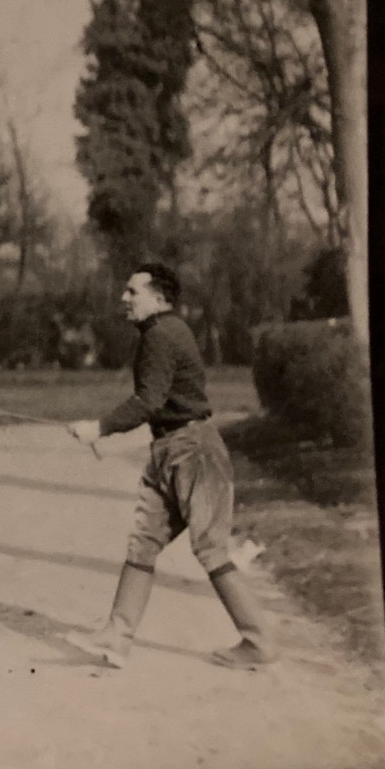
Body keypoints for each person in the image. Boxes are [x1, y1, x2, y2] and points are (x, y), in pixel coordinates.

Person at [64, 262, 275, 670]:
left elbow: (148, 401)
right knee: (143, 541)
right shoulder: (158, 333)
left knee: (210, 550)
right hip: (170, 449)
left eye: (133, 292)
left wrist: (99, 428)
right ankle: (116, 637)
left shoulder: (162, 334)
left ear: (160, 299)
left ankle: (260, 643)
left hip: (192, 450)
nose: (124, 299)